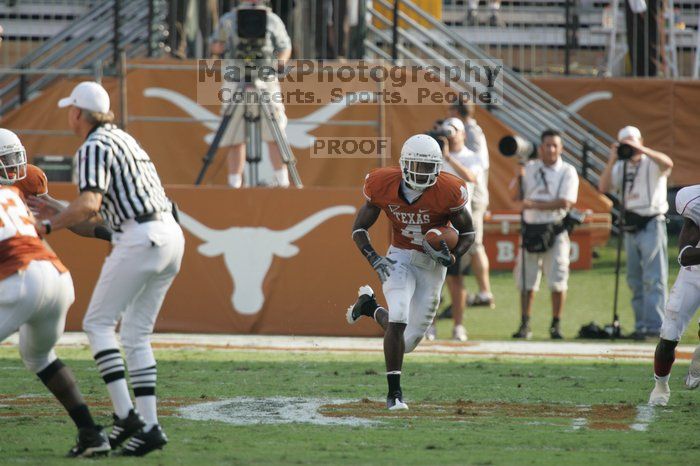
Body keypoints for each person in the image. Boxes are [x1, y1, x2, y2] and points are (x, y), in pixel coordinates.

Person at [34, 81, 185, 456]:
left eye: (71, 110)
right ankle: (148, 428)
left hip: (141, 237)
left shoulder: (92, 146)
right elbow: (93, 218)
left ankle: (125, 416)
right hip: (169, 235)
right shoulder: (123, 139)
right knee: (135, 335)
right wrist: (53, 205)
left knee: (97, 324)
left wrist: (48, 226)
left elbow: (88, 204)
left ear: (78, 114)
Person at [346, 134, 475, 410]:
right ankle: (394, 395)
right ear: (404, 163)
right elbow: (359, 229)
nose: (422, 172)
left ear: (439, 167)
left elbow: (468, 232)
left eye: (429, 167)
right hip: (400, 257)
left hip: (431, 265)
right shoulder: (382, 183)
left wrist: (452, 256)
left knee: (409, 341)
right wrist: (374, 258)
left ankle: (370, 308)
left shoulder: (450, 190)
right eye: (417, 165)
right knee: (400, 314)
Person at [0, 181, 110, 457]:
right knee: (40, 358)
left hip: (21, 278)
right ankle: (91, 433)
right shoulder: (12, 192)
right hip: (56, 275)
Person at [598, 126, 673, 340]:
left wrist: (641, 149)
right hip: (630, 224)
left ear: (640, 140)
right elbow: (603, 187)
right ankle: (641, 326)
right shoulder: (620, 166)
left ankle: (656, 326)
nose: (630, 147)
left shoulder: (652, 163)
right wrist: (613, 158)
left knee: (654, 277)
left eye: (633, 142)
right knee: (634, 279)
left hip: (652, 221)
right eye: (626, 144)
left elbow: (668, 163)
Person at [210, 0, 292, 188]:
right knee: (234, 134)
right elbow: (215, 45)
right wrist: (222, 46)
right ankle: (235, 184)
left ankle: (283, 182)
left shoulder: (272, 20)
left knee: (275, 131)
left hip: (265, 80)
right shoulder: (228, 20)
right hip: (235, 79)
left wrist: (279, 62)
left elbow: (285, 46)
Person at [511, 129, 579, 339]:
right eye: (546, 145)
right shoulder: (529, 168)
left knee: (558, 279)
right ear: (540, 148)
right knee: (526, 281)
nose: (550, 149)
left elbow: (566, 202)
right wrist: (519, 175)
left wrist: (532, 204)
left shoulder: (567, 171)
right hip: (530, 229)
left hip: (555, 229)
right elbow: (515, 199)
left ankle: (555, 325)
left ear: (561, 148)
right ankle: (525, 324)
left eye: (554, 145)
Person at [648, 185, 700, 406]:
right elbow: (684, 256)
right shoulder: (695, 201)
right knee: (669, 336)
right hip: (695, 272)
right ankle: (660, 386)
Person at [437, 117, 487, 342]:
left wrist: (448, 158)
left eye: (454, 130)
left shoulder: (471, 156)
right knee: (432, 278)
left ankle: (458, 326)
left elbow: (472, 177)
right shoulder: (436, 154)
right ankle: (430, 325)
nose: (450, 134)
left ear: (463, 134)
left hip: (459, 221)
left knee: (456, 277)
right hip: (437, 219)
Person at [449, 100, 494, 308]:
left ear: (457, 111)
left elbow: (478, 165)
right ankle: (461, 295)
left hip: (474, 194)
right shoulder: (472, 129)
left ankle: (485, 292)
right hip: (470, 193)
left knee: (474, 243)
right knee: (467, 244)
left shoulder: (470, 132)